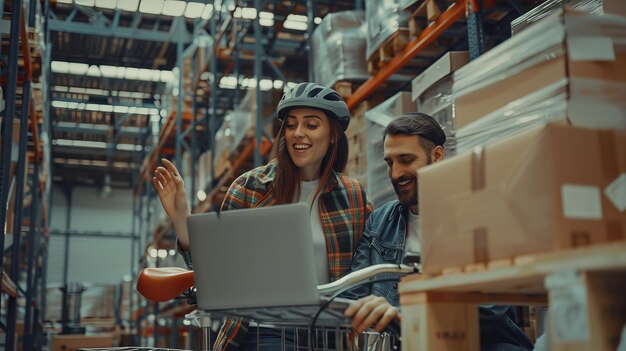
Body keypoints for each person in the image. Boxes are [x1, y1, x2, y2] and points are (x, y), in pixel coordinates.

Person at [152, 82, 372, 350]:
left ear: (333, 135)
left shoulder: (353, 196)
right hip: (263, 330)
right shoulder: (250, 188)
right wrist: (181, 218)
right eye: (291, 125)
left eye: (311, 125)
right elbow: (216, 271)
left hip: (328, 334)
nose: (298, 134)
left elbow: (367, 269)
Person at [343, 112, 534, 350]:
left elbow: (490, 306)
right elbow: (354, 293)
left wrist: (401, 315)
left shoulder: (479, 213)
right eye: (390, 162)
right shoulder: (379, 222)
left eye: (406, 159)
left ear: (436, 156)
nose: (395, 174)